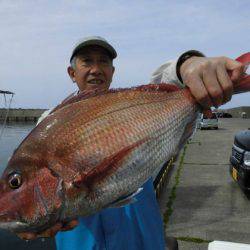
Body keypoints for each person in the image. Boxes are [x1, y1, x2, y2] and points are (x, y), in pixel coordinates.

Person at [17, 36, 244, 249]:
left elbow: (165, 81)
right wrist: (23, 214)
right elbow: (25, 180)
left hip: (143, 240)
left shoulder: (134, 105)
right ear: (71, 72)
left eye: (103, 62)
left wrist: (188, 64)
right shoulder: (48, 124)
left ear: (112, 71)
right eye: (87, 62)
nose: (96, 69)